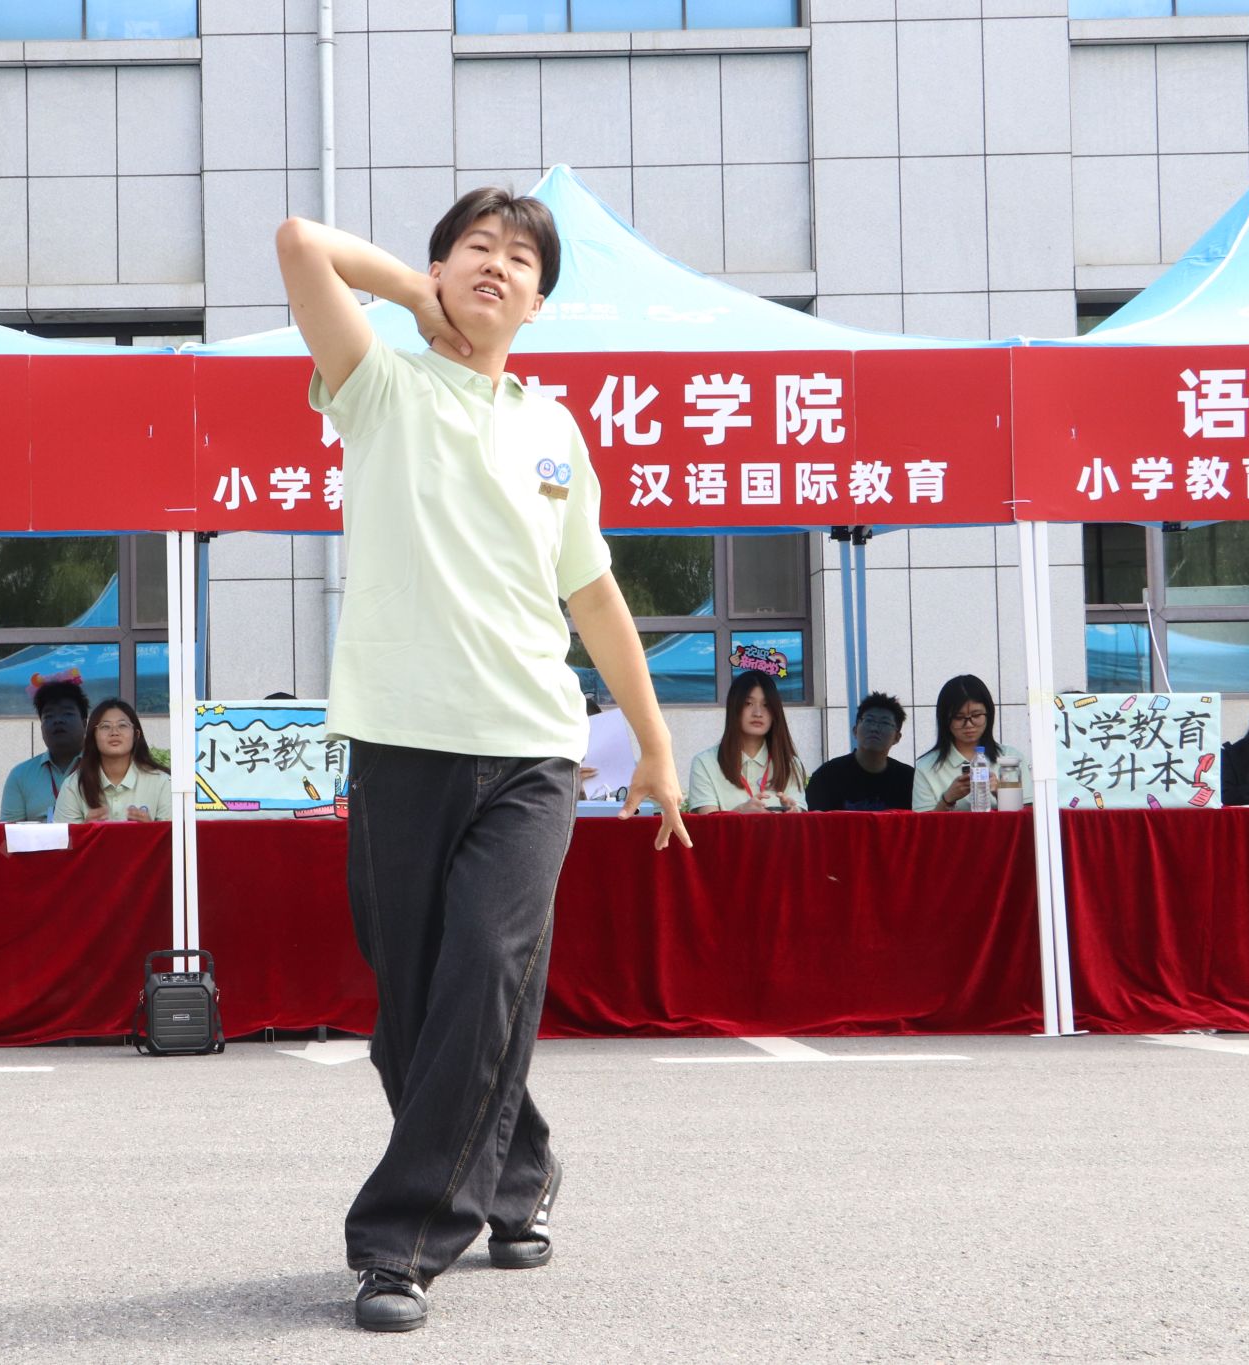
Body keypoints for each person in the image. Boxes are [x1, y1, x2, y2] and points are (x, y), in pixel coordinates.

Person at [279, 186, 690, 1333]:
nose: (496, 266)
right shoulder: (377, 385)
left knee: (485, 969)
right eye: (475, 247)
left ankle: (401, 1243)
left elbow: (591, 593)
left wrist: (654, 744)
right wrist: (413, 301)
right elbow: (302, 246)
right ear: (437, 267)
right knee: (412, 1012)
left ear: (538, 301)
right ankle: (520, 1170)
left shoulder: (553, 430)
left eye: (519, 259)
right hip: (402, 742)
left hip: (533, 750)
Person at [685, 670, 807, 814]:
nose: (757, 713)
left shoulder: (790, 764)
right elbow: (708, 824)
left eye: (766, 705)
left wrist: (794, 814)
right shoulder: (705, 763)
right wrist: (741, 813)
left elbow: (801, 818)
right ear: (734, 707)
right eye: (748, 703)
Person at [913, 674, 1030, 812]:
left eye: (976, 715)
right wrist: (947, 799)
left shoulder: (1011, 759)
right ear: (944, 719)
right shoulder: (927, 767)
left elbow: (1030, 816)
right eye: (958, 717)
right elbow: (922, 823)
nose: (969, 724)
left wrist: (1002, 795)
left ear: (989, 714)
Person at [51, 698, 171, 823]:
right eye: (105, 726)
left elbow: (174, 835)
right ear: (93, 736)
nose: (114, 732)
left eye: (122, 725)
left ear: (136, 735)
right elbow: (63, 836)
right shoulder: (73, 786)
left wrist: (152, 830)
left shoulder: (162, 783)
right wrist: (85, 830)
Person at [1, 671, 90, 821]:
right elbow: (9, 832)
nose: (58, 720)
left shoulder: (104, 767)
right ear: (41, 726)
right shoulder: (20, 775)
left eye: (67, 714)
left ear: (84, 723)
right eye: (49, 716)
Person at [806, 691, 914, 813]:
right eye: (869, 720)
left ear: (897, 737)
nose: (874, 728)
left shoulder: (909, 780)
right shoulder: (827, 776)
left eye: (885, 723)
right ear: (855, 730)